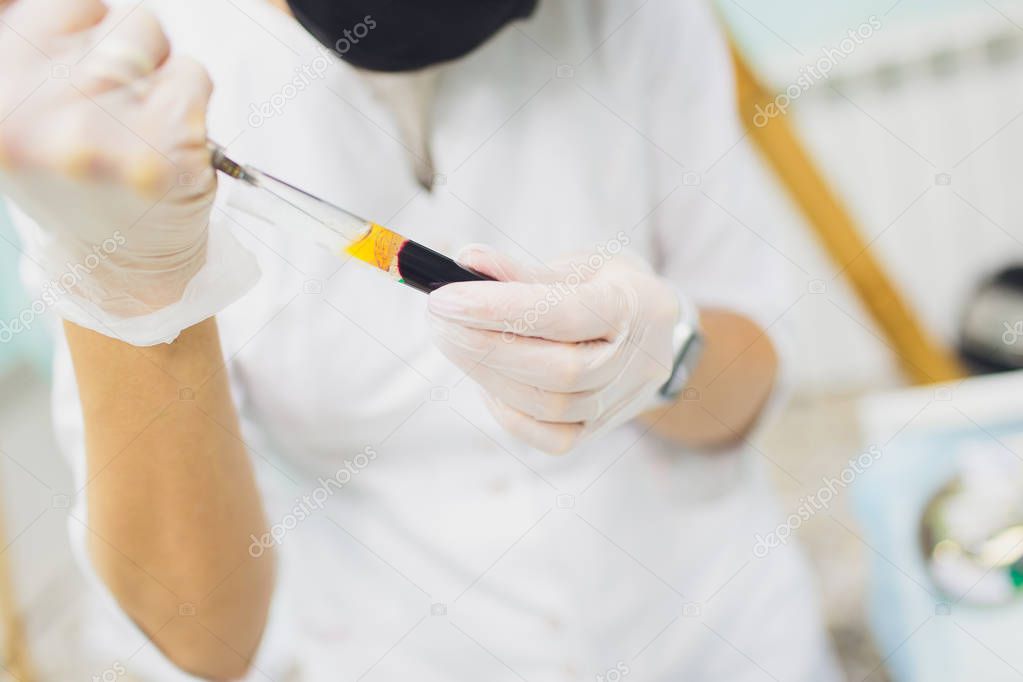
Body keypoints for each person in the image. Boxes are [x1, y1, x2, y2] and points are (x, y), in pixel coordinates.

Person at [0, 0, 841, 679]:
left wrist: (666, 359)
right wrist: (132, 291)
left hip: (722, 638)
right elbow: (203, 641)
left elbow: (750, 382)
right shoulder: (115, 99)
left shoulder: (640, 19)